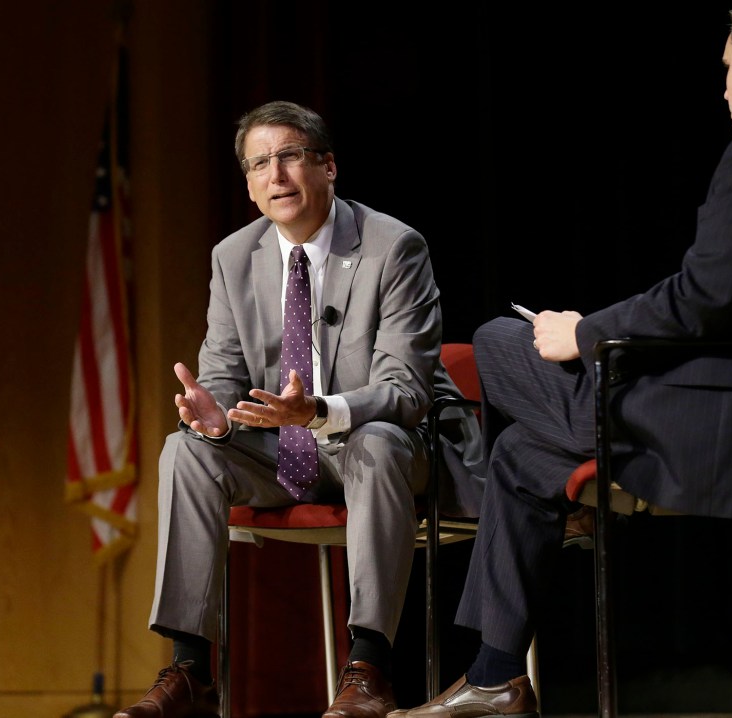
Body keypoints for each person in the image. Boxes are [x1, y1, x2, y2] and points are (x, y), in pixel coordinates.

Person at [389, 0, 732, 716]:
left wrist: (584, 332)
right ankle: (496, 676)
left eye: (727, 68)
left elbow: (701, 300)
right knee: (521, 458)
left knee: (501, 342)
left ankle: (516, 504)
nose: (724, 89)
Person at [115, 100, 483, 718]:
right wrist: (216, 416)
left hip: (389, 446)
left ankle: (368, 668)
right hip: (282, 451)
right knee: (185, 450)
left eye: (289, 156)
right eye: (259, 164)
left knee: (377, 441)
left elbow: (406, 391)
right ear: (250, 187)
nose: (275, 175)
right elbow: (224, 376)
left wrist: (317, 409)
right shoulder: (234, 257)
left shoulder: (394, 247)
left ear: (329, 166)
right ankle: (191, 672)